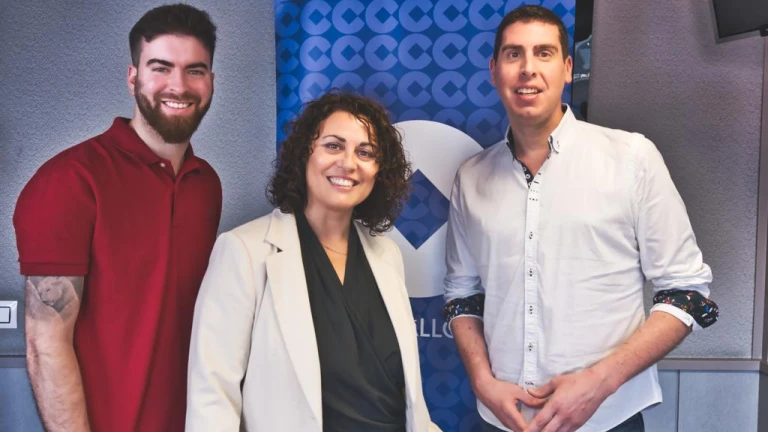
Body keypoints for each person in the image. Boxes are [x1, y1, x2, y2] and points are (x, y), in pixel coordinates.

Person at [443, 5, 719, 432]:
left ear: (568, 69)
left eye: (544, 53)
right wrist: (482, 382)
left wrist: (598, 384)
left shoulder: (632, 158)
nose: (528, 68)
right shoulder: (471, 177)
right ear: (494, 71)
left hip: (607, 418)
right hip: (502, 420)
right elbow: (462, 295)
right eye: (514, 54)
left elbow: (685, 291)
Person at [14, 4, 221, 431]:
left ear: (211, 81)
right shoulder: (69, 181)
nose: (179, 85)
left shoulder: (206, 185)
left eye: (195, 70)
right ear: (133, 78)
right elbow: (45, 345)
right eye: (161, 68)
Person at [186, 91, 439, 432]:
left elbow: (407, 401)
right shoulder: (243, 251)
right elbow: (213, 395)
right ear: (305, 152)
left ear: (379, 170)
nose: (348, 163)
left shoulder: (387, 254)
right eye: (333, 146)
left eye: (365, 152)